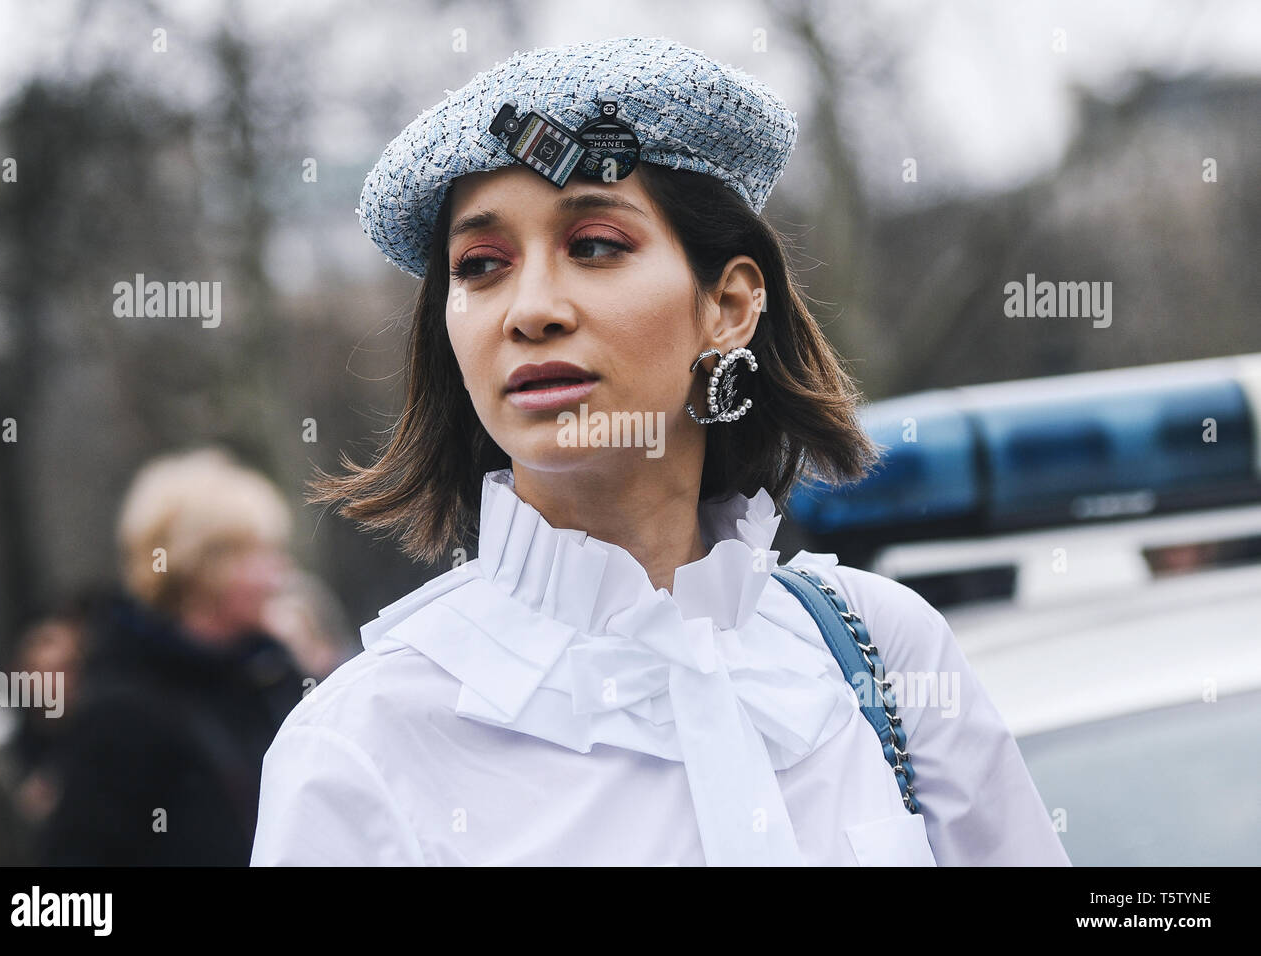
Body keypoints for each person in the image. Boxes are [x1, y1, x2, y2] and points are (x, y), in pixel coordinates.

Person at [251, 36, 1070, 866]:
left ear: (729, 304)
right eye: (482, 264)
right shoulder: (359, 748)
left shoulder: (880, 654)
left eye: (596, 245)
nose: (530, 309)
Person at [36, 447, 304, 865]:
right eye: (261, 555)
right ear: (205, 565)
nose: (280, 575)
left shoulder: (273, 679)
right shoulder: (122, 714)